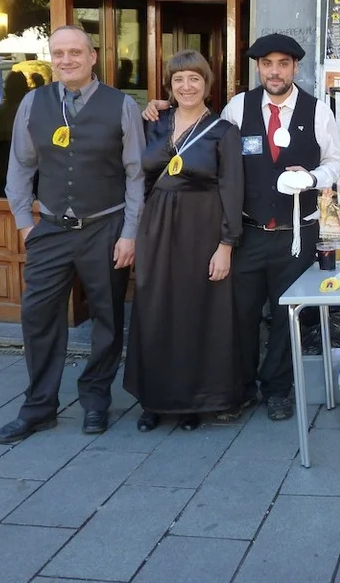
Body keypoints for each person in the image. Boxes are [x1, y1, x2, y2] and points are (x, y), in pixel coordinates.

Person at [142, 33, 340, 421]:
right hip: (247, 232)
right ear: (258, 68)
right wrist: (161, 105)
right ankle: (241, 388)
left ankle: (278, 390)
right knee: (239, 316)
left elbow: (336, 161)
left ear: (295, 68)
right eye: (267, 64)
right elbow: (202, 138)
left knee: (287, 317)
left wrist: (313, 177)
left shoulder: (318, 111)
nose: (274, 72)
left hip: (296, 235)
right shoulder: (238, 107)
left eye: (282, 64)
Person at [0, 25, 144, 444]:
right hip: (51, 228)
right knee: (37, 315)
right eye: (58, 53)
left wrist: (130, 233)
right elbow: (20, 166)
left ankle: (96, 399)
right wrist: (25, 223)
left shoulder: (121, 105)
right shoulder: (33, 102)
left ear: (92, 57)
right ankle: (39, 406)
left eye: (75, 52)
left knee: (108, 318)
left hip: (106, 227)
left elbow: (135, 174)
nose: (66, 60)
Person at [124, 51, 244, 432]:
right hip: (157, 228)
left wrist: (226, 245)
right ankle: (153, 400)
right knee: (154, 311)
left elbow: (233, 191)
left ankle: (192, 401)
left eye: (194, 79)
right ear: (169, 85)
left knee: (194, 315)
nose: (186, 86)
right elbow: (140, 178)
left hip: (201, 231)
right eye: (178, 79)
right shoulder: (155, 122)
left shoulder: (223, 131)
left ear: (207, 84)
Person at [0, 71, 30, 197]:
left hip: (18, 161)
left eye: (10, 87)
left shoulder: (26, 108)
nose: (6, 90)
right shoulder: (3, 108)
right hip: (1, 162)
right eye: (7, 87)